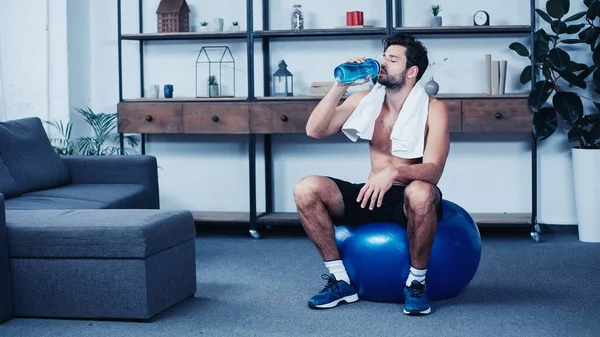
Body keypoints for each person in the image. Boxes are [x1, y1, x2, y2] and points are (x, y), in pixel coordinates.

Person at [293, 33, 450, 316]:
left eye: (392, 59)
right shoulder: (365, 98)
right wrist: (340, 85)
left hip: (406, 196)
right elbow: (314, 130)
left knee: (422, 191)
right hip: (372, 192)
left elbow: (434, 170)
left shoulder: (434, 109)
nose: (383, 63)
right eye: (383, 57)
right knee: (306, 188)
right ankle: (341, 280)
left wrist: (393, 172)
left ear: (411, 71)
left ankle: (416, 284)